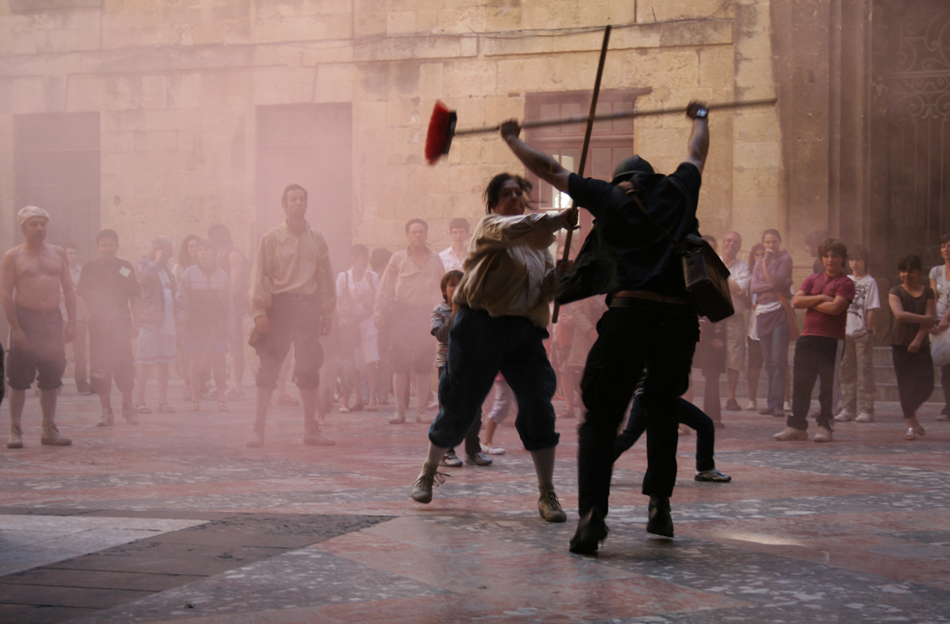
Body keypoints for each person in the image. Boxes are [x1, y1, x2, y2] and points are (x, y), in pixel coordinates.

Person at [502, 102, 709, 554]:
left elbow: (551, 169)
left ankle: (593, 517)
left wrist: (513, 139)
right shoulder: (678, 189)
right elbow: (696, 153)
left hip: (629, 317)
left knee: (599, 421)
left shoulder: (611, 196)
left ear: (621, 180)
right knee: (662, 411)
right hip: (676, 324)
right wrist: (701, 117)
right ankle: (659, 505)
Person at [409, 170, 574, 527]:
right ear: (494, 203)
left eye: (520, 194)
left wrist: (558, 276)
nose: (515, 199)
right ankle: (429, 469)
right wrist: (557, 218)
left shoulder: (540, 248)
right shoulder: (489, 228)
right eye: (507, 194)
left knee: (538, 406)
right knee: (459, 404)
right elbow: (516, 228)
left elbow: (543, 292)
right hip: (479, 325)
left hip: (523, 331)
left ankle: (546, 491)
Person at [247, 183, 336, 447]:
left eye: (301, 199)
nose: (298, 203)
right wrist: (260, 310)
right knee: (269, 367)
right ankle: (258, 429)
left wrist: (327, 311)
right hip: (280, 306)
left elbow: (326, 276)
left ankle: (311, 430)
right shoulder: (271, 238)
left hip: (308, 307)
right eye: (293, 199)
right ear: (284, 205)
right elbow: (259, 275)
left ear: (306, 204)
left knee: (309, 367)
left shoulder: (317, 238)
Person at [2, 206, 76, 448]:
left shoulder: (58, 254)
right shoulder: (13, 256)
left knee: (52, 373)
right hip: (25, 318)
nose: (39, 229)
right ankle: (15, 429)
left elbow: (68, 290)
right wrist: (16, 328)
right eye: (33, 224)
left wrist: (71, 322)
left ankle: (49, 428)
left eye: (42, 224)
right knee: (18, 376)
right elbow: (5, 294)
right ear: (23, 228)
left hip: (52, 319)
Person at [775, 239, 854, 442]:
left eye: (835, 256)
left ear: (842, 259)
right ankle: (797, 427)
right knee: (801, 383)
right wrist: (822, 298)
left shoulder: (845, 283)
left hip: (831, 340)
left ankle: (825, 425)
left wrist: (812, 301)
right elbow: (797, 301)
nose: (830, 259)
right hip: (808, 337)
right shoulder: (812, 279)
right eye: (827, 255)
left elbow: (836, 308)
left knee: (828, 385)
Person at [374, 219, 445, 425]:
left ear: (426, 234)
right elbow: (386, 287)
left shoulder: (435, 260)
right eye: (413, 232)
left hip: (426, 315)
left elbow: (443, 288)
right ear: (407, 236)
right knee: (400, 363)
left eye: (421, 232)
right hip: (402, 313)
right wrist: (378, 312)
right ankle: (399, 411)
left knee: (424, 363)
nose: (417, 235)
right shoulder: (397, 259)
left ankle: (421, 411)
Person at [78, 229, 141, 427]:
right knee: (101, 366)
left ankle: (128, 406)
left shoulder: (124, 267)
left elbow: (135, 295)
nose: (107, 248)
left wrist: (136, 321)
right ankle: (106, 412)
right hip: (99, 326)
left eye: (111, 244)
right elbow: (80, 295)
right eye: (103, 245)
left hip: (121, 324)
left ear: (117, 246)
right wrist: (87, 316)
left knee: (124, 364)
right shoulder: (90, 268)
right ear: (98, 247)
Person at [614, 376, 731, 482]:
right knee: (704, 424)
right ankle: (705, 469)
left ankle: (705, 469)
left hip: (655, 396)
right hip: (654, 396)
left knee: (629, 436)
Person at [431, 269, 491, 467]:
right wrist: (455, 314)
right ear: (444, 289)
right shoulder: (438, 311)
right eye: (452, 284)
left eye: (461, 284)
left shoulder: (474, 310)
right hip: (447, 366)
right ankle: (447, 451)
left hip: (470, 366)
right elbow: (441, 335)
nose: (456, 288)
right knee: (449, 409)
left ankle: (473, 450)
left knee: (474, 411)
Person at [178, 239, 230, 412]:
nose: (202, 253)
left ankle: (221, 399)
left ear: (214, 253)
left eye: (206, 250)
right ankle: (195, 399)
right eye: (200, 250)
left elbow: (227, 302)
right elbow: (181, 300)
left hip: (216, 325)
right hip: (195, 325)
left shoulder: (222, 275)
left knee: (218, 363)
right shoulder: (189, 274)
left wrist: (226, 326)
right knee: (195, 363)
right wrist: (182, 322)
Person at [889, 254, 936, 440]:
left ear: (918, 272)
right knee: (905, 384)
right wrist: (925, 319)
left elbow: (930, 316)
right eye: (903, 270)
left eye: (910, 270)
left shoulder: (928, 292)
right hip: (900, 343)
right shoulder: (895, 291)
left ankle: (909, 412)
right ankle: (909, 423)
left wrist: (918, 339)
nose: (906, 274)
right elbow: (900, 315)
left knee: (928, 385)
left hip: (921, 344)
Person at [750, 229, 794, 418]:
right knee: (768, 362)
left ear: (779, 242)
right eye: (767, 242)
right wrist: (777, 284)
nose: (770, 246)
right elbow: (753, 287)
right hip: (763, 314)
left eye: (774, 242)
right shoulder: (758, 263)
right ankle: (771, 402)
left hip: (779, 312)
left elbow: (775, 281)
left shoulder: (785, 259)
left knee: (778, 360)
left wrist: (769, 265)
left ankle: (777, 403)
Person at [132, 236, 178, 415]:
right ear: (157, 250)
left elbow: (173, 294)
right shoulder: (141, 264)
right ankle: (140, 401)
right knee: (145, 363)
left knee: (164, 363)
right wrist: (157, 261)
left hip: (166, 323)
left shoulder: (166, 270)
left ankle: (163, 401)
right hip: (149, 322)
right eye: (167, 251)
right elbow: (145, 278)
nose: (170, 255)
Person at [836, 245, 880, 423]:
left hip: (862, 333)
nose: (855, 263)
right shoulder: (845, 280)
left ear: (865, 261)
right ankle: (848, 407)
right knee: (846, 371)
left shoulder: (870, 282)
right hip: (845, 332)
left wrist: (868, 330)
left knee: (864, 372)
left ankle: (866, 408)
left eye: (859, 259)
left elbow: (871, 307)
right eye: (852, 259)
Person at [208, 224, 251, 401]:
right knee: (222, 344)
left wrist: (224, 308)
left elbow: (236, 285)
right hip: (222, 308)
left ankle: (238, 386)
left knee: (235, 344)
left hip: (234, 308)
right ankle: (222, 383)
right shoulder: (220, 255)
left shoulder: (234, 255)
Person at [335, 244, 380, 412]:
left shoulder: (372, 276)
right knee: (353, 363)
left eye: (367, 258)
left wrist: (370, 288)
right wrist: (353, 299)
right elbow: (339, 299)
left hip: (368, 322)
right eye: (362, 259)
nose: (366, 262)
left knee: (370, 361)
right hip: (351, 323)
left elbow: (379, 298)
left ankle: (372, 398)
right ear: (353, 260)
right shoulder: (344, 277)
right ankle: (357, 397)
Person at [719, 231, 751, 411]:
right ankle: (713, 394)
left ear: (739, 246)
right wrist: (733, 285)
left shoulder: (743, 267)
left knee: (735, 358)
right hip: (714, 318)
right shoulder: (711, 263)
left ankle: (731, 397)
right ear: (723, 243)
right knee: (712, 359)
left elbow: (740, 287)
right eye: (729, 240)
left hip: (735, 318)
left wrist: (720, 278)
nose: (731, 244)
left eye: (736, 242)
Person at [172, 234, 200, 400]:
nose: (194, 249)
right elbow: (176, 290)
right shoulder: (178, 268)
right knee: (183, 351)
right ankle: (187, 386)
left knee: (199, 350)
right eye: (190, 246)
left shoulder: (204, 267)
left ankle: (200, 384)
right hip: (183, 314)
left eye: (196, 246)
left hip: (199, 316)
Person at [64, 243, 90, 394]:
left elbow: (86, 292)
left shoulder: (83, 273)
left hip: (79, 317)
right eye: (69, 253)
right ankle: (55, 382)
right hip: (61, 316)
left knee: (80, 353)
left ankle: (81, 384)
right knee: (57, 353)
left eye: (75, 253)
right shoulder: (60, 272)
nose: (72, 256)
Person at [929, 233, 950, 421]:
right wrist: (933, 320)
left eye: (949, 246)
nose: (946, 250)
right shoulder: (936, 271)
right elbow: (932, 295)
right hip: (940, 323)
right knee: (946, 367)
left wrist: (946, 318)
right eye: (944, 246)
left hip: (948, 321)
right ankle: (948, 408)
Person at [744, 243, 766, 410]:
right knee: (754, 363)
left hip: (772, 322)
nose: (760, 258)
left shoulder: (773, 275)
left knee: (778, 363)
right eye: (757, 255)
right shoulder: (750, 277)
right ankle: (752, 399)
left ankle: (783, 400)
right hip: (754, 325)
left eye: (763, 255)